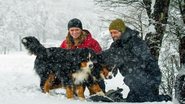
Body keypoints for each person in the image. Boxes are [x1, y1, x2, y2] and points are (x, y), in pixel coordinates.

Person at [103, 18, 171, 102]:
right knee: (132, 100)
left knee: (144, 100)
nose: (113, 35)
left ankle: (165, 99)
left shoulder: (135, 42)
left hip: (148, 77)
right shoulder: (116, 45)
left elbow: (142, 60)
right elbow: (109, 55)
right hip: (134, 80)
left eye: (115, 32)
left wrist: (121, 56)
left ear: (122, 31)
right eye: (111, 33)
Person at [60, 18, 105, 93]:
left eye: (77, 29)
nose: (74, 32)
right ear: (69, 31)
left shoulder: (91, 42)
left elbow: (100, 57)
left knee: (98, 92)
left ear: (81, 29)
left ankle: (98, 93)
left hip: (91, 71)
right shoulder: (65, 43)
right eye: (72, 30)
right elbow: (60, 58)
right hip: (74, 73)